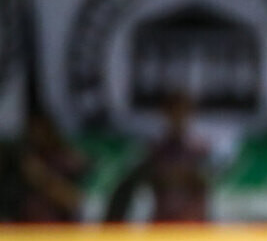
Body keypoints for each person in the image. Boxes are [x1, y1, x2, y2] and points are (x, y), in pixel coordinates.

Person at [105, 92, 212, 223]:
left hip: (193, 224)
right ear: (165, 113)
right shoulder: (154, 151)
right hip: (162, 224)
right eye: (174, 110)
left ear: (191, 112)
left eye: (183, 110)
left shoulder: (201, 150)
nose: (178, 116)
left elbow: (211, 185)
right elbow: (126, 187)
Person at [12, 111, 91, 223]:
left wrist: (41, 177)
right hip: (24, 232)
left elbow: (77, 201)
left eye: (40, 129)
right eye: (32, 130)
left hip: (62, 231)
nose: (37, 134)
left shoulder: (67, 160)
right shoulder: (22, 162)